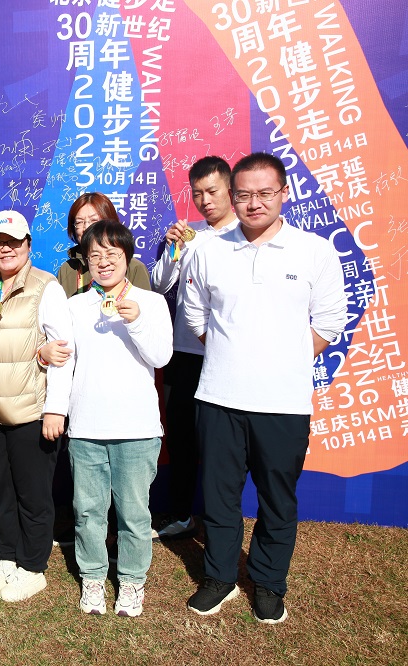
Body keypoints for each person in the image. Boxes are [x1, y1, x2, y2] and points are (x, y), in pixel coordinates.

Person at [182, 152, 346, 624]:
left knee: (277, 499)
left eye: (265, 193)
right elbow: (194, 314)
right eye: (244, 195)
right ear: (232, 197)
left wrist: (282, 361)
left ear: (283, 194)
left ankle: (270, 583)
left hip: (283, 403)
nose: (254, 203)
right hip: (218, 398)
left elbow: (330, 320)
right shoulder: (208, 250)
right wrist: (232, 355)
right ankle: (219, 577)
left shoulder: (313, 250)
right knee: (219, 498)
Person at [66, 220, 173, 617]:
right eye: (95, 254)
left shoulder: (152, 303)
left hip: (137, 428)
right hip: (86, 427)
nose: (104, 261)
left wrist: (137, 321)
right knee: (88, 512)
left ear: (127, 257)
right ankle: (93, 577)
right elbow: (65, 361)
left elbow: (161, 357)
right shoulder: (75, 305)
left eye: (112, 253)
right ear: (86, 261)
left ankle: (131, 581)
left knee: (134, 513)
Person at [0, 210, 74, 602]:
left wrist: (56, 408)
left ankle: (33, 566)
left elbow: (63, 350)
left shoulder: (46, 287)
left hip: (31, 411)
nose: (5, 249)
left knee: (32, 494)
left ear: (28, 245)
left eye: (13, 242)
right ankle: (7, 555)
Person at [150, 156, 238, 540]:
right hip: (184, 352)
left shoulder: (246, 235)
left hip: (226, 354)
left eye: (212, 191)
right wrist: (172, 249)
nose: (205, 201)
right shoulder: (189, 235)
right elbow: (158, 284)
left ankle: (221, 520)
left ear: (231, 190)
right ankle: (182, 514)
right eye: (198, 193)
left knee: (221, 443)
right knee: (182, 437)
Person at [57, 193, 151, 297]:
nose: (86, 227)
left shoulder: (134, 268)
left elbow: (145, 304)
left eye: (94, 220)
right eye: (79, 222)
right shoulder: (67, 269)